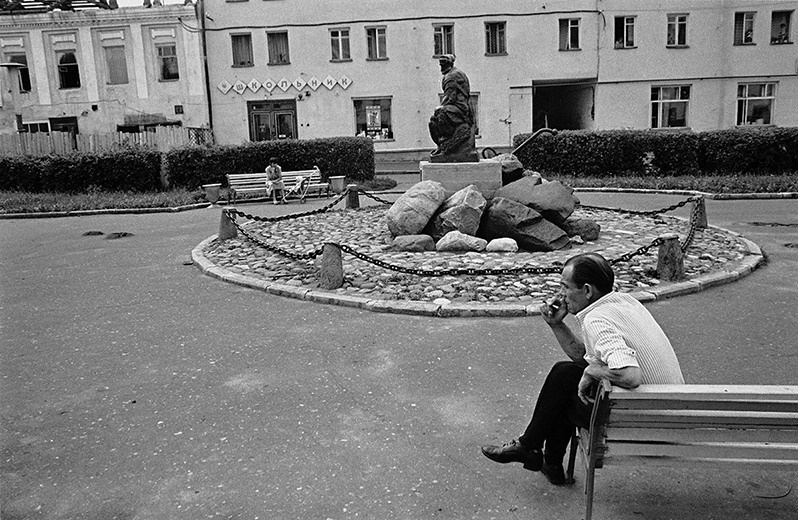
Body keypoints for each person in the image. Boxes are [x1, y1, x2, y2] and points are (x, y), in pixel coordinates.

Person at [481, 253, 684, 485]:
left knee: (566, 391)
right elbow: (584, 358)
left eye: (565, 287)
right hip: (671, 410)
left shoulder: (596, 320)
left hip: (646, 423)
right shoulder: (625, 302)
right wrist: (557, 325)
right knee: (566, 375)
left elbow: (630, 375)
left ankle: (534, 450)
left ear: (587, 290)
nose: (561, 295)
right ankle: (538, 454)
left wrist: (591, 372)